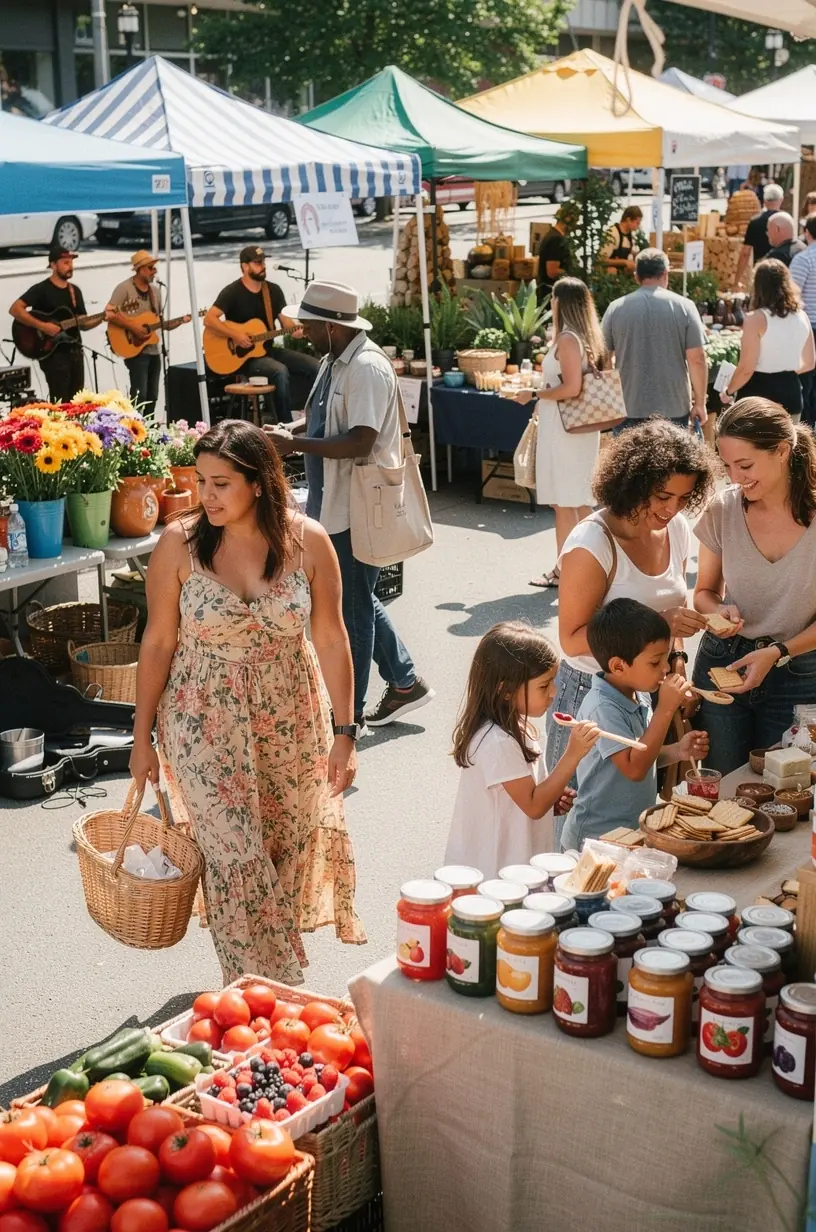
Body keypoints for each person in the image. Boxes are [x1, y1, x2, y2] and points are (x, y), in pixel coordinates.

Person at [129, 419, 365, 983]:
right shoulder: (178, 545)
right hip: (200, 720)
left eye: (221, 484)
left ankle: (258, 990)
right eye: (201, 481)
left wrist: (346, 730)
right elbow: (158, 641)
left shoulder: (309, 541)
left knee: (281, 844)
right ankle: (262, 993)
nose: (205, 496)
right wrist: (140, 740)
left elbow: (331, 637)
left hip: (291, 717)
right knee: (234, 855)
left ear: (258, 482)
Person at [268, 280, 434, 733]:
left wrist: (294, 443)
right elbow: (325, 420)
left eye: (306, 323)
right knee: (355, 599)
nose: (299, 330)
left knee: (351, 611)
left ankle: (349, 717)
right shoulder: (333, 360)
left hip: (359, 508)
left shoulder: (365, 368)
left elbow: (361, 438)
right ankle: (404, 680)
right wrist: (290, 429)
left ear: (330, 326)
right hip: (336, 504)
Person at [547, 419, 714, 842]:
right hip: (589, 691)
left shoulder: (675, 530)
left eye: (682, 496)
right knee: (578, 824)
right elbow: (571, 637)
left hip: (645, 689)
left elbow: (671, 621)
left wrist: (674, 665)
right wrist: (659, 626)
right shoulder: (592, 542)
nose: (672, 509)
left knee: (633, 820)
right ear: (631, 482)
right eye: (662, 496)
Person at [692, 398, 816, 774]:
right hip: (722, 664)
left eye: (744, 465)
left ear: (782, 450)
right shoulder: (722, 509)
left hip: (799, 673)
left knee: (786, 795)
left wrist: (777, 652)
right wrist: (718, 611)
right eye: (727, 466)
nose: (734, 477)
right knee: (720, 793)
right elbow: (703, 594)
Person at [445, 622, 599, 876]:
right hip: (496, 875)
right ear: (505, 690)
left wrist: (552, 799)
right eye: (543, 685)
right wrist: (573, 754)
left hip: (513, 866)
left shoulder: (514, 728)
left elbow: (527, 798)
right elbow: (533, 805)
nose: (553, 692)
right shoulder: (497, 742)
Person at [561, 599, 709, 851]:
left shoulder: (637, 693)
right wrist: (664, 709)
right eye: (655, 662)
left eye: (666, 659)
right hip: (596, 839)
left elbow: (643, 752)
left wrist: (678, 751)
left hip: (631, 833)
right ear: (619, 665)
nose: (665, 669)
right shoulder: (603, 708)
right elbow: (634, 768)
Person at [514, 277, 607, 589]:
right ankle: (590, 566)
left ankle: (564, 569)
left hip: (567, 429)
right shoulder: (581, 338)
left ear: (560, 302)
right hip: (573, 428)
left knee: (565, 503)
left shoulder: (568, 339)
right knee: (577, 502)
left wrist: (535, 393)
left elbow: (571, 387)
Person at [204, 245, 319, 423]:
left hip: (268, 351)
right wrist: (235, 335)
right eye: (258, 263)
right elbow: (209, 319)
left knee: (315, 367)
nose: (263, 266)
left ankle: (315, 420)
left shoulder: (273, 291)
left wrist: (297, 330)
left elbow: (285, 322)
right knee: (279, 371)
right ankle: (285, 427)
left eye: (264, 262)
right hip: (245, 360)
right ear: (245, 266)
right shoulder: (232, 292)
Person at [601, 249, 708, 429]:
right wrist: (699, 402)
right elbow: (697, 359)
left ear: (637, 276)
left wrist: (614, 398)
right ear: (665, 274)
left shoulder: (615, 308)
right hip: (673, 407)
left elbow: (603, 359)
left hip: (628, 407)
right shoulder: (685, 306)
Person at [719, 259, 814, 421]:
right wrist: (784, 369)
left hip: (758, 396)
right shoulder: (802, 316)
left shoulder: (755, 319)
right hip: (791, 392)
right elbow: (810, 362)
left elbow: (747, 368)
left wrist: (728, 391)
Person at [105, 251, 190, 417]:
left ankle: (148, 429)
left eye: (154, 268)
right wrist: (133, 327)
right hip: (134, 349)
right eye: (151, 268)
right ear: (140, 269)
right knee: (140, 394)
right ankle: (133, 425)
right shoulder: (124, 289)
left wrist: (181, 320)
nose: (154, 271)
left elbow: (159, 322)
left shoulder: (155, 292)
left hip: (153, 349)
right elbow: (109, 313)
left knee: (153, 395)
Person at [9, 247, 93, 401]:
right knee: (60, 400)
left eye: (71, 262)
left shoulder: (74, 291)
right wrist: (42, 326)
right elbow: (15, 309)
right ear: (53, 265)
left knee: (77, 401)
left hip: (74, 351)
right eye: (66, 262)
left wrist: (104, 317)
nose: (70, 266)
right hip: (52, 353)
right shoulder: (42, 289)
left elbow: (83, 323)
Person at [790, 216, 816, 428]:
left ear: (807, 233)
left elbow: (792, 295)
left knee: (807, 386)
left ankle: (808, 437)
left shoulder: (804, 259)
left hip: (810, 329)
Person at [735, 183, 784, 288]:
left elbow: (745, 253)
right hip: (783, 272)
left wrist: (737, 280)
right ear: (781, 200)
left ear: (765, 201)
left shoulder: (755, 222)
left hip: (760, 272)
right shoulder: (786, 221)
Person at [536, 204, 575, 303]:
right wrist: (572, 273)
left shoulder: (553, 235)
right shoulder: (556, 240)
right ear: (568, 219)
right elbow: (552, 271)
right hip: (553, 293)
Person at [598, 205, 643, 274]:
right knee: (612, 270)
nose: (638, 226)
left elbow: (629, 251)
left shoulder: (629, 235)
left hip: (620, 272)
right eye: (637, 223)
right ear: (628, 220)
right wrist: (624, 262)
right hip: (607, 272)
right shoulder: (612, 233)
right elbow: (602, 260)